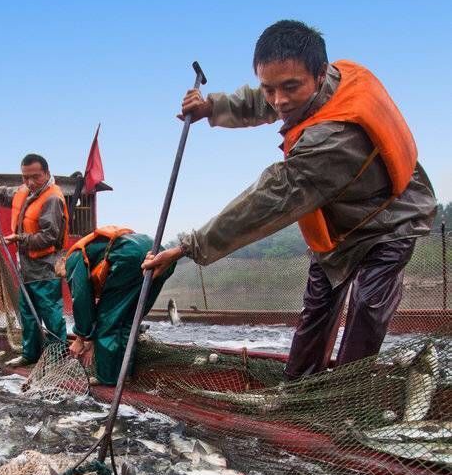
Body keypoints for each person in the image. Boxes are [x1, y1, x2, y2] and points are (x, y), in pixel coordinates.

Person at [143, 20, 437, 379]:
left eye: (290, 88)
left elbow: (265, 202)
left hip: (392, 218)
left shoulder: (331, 140)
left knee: (367, 307)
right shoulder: (313, 86)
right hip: (338, 226)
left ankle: (343, 398)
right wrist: (212, 108)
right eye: (271, 88)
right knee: (317, 310)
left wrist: (188, 246)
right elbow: (263, 101)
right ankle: (296, 389)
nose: (279, 101)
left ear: (320, 74)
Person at [0, 154, 68, 366]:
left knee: (51, 315)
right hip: (26, 268)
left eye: (36, 177)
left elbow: (50, 236)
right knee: (28, 314)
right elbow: (2, 195)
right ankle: (30, 354)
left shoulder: (52, 198)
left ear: (47, 173)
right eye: (25, 177)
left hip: (46, 267)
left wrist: (19, 238)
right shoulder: (24, 191)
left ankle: (58, 358)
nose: (30, 182)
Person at [65, 227, 175, 385]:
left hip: (133, 259)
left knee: (109, 320)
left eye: (62, 274)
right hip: (161, 256)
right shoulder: (95, 250)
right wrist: (90, 339)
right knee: (128, 319)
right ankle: (124, 375)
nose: (64, 277)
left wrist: (81, 337)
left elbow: (81, 298)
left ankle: (109, 379)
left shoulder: (73, 258)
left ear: (62, 262)